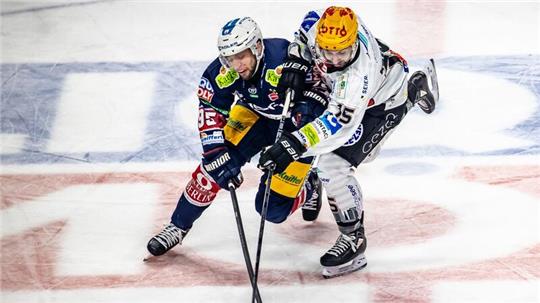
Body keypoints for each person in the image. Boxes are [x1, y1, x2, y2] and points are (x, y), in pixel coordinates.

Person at [259, 6, 439, 278]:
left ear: (354, 44)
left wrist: (291, 146)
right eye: (327, 51)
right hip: (347, 86)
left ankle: (354, 238)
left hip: (380, 101)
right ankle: (312, 181)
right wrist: (297, 58)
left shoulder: (356, 78)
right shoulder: (323, 29)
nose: (333, 58)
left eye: (341, 52)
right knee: (312, 132)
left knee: (333, 165)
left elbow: (335, 125)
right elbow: (306, 25)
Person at [146, 17, 328, 257]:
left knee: (272, 210)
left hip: (294, 128)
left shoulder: (286, 58)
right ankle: (177, 226)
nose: (237, 65)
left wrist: (306, 111)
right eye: (230, 58)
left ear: (258, 47)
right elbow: (209, 110)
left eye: (241, 56)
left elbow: (324, 89)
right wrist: (216, 153)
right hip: (255, 116)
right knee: (212, 168)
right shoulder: (223, 72)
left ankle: (310, 187)